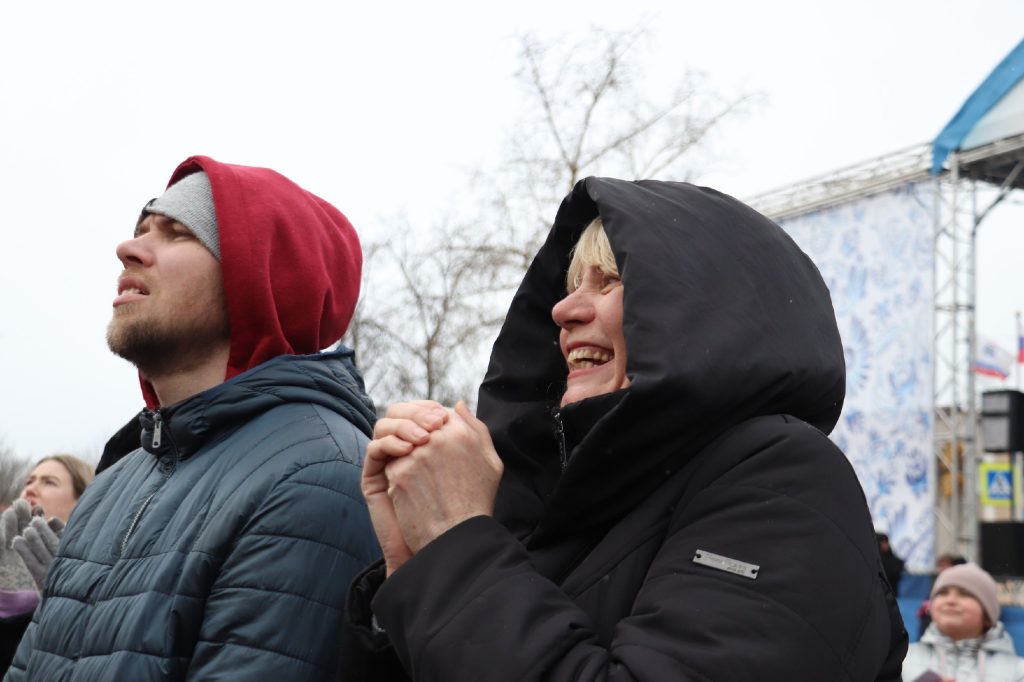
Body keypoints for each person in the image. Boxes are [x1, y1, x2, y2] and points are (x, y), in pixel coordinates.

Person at [341, 178, 908, 680]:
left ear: (698, 313)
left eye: (610, 280)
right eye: (570, 285)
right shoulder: (572, 504)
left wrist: (457, 542)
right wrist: (414, 571)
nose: (563, 310)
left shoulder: (781, 476)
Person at [6, 156, 379, 681]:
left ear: (262, 278)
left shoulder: (318, 476)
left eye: (178, 232)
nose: (129, 247)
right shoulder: (111, 486)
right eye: (141, 229)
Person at [902, 563, 1024, 682]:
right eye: (943, 593)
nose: (950, 600)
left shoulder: (1017, 671)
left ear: (988, 615)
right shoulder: (902, 659)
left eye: (965, 594)